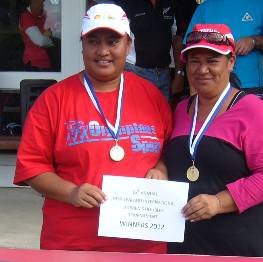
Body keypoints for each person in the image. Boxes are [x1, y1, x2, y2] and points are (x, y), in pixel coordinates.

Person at [14, 3, 172, 253]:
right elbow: (31, 168)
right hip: (73, 244)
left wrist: (161, 168)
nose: (103, 51)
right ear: (82, 45)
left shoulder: (151, 96)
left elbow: (169, 150)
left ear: (128, 45)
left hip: (144, 245)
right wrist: (71, 192)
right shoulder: (54, 99)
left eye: (113, 41)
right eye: (93, 41)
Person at [163, 24, 263, 257]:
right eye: (194, 61)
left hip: (239, 245)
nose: (202, 69)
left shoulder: (253, 110)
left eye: (212, 61)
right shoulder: (181, 109)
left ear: (231, 62)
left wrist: (219, 202)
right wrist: (160, 167)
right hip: (187, 244)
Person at [184, 0, 263, 94]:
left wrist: (254, 41)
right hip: (212, 84)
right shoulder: (205, 8)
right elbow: (190, 51)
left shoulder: (258, 3)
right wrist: (193, 90)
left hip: (249, 85)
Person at [114, 0, 177, 99]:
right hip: (136, 72)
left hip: (164, 74)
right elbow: (115, 40)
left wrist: (179, 74)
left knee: (163, 113)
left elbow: (175, 37)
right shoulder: (125, 3)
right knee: (139, 113)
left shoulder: (169, 3)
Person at [19, 0, 54, 70]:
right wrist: (52, 42)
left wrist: (46, 35)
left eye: (42, 4)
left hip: (45, 63)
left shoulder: (42, 16)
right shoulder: (26, 17)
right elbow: (40, 41)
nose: (42, 6)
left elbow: (54, 32)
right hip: (34, 64)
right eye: (39, 3)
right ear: (31, 2)